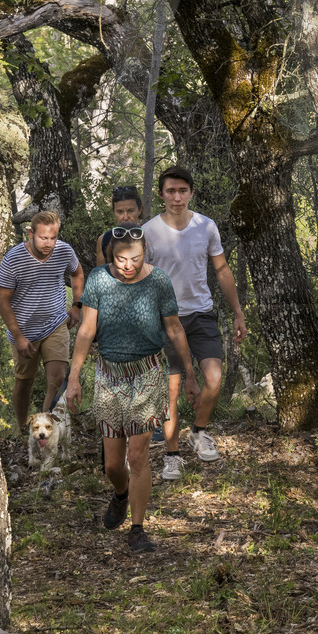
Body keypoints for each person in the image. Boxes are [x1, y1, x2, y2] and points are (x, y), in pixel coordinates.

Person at [66, 223, 199, 553]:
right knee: (113, 465)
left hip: (147, 373)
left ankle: (137, 530)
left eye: (136, 259)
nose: (129, 266)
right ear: (112, 255)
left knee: (137, 456)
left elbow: (175, 329)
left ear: (145, 254)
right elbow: (86, 331)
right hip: (109, 374)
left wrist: (191, 375)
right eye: (122, 260)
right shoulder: (98, 279)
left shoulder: (157, 281)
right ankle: (121, 495)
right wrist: (74, 378)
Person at [143, 166, 247, 480]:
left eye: (182, 191)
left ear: (191, 193)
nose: (176, 197)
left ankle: (199, 431)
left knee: (213, 378)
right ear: (161, 194)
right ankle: (172, 456)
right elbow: (140, 278)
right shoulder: (149, 231)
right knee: (171, 391)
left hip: (202, 314)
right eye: (170, 191)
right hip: (166, 320)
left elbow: (223, 270)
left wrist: (238, 311)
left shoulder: (206, 226)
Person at [0, 211, 84, 435]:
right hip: (24, 330)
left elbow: (77, 273)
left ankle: (45, 429)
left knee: (58, 377)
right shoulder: (13, 259)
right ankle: (23, 427)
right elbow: (2, 299)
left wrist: (77, 305)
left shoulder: (63, 251)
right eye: (44, 238)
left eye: (53, 238)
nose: (49, 243)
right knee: (24, 381)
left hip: (55, 322)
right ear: (31, 233)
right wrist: (18, 336)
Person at [96, 185, 145, 264]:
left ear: (139, 210)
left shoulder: (149, 236)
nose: (125, 217)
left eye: (130, 211)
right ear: (114, 212)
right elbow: (100, 274)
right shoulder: (105, 239)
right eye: (120, 212)